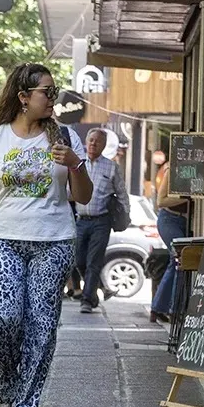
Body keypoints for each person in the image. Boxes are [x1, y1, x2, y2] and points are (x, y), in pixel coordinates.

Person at [0, 63, 93, 407]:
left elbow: (82, 198)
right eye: (47, 93)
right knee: (4, 317)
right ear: (23, 98)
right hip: (4, 239)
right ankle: (3, 392)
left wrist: (76, 164)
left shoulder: (65, 137)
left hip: (53, 241)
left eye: (55, 92)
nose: (54, 99)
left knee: (41, 324)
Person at [73, 128, 129, 313]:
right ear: (86, 142)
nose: (93, 144)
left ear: (104, 146)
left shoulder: (111, 167)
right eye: (90, 140)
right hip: (81, 220)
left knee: (93, 261)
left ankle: (87, 300)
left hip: (101, 221)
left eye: (97, 141)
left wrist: (125, 215)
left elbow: (121, 193)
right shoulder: (78, 164)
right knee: (78, 260)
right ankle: (95, 291)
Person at [150, 161, 187, 323]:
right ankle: (173, 309)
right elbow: (161, 201)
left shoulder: (199, 170)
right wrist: (187, 199)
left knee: (176, 262)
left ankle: (158, 308)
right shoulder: (172, 169)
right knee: (179, 259)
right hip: (169, 219)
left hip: (184, 221)